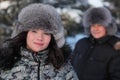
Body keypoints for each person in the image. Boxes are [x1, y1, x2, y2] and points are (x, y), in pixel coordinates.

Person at [0, 3, 78, 80]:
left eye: (46, 33)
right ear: (24, 33)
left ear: (53, 37)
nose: (40, 37)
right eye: (34, 31)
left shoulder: (64, 67)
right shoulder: (5, 65)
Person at [71, 7, 120, 80]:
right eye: (93, 25)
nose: (95, 29)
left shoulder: (116, 45)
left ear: (107, 26)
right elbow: (71, 67)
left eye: (99, 25)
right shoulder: (81, 43)